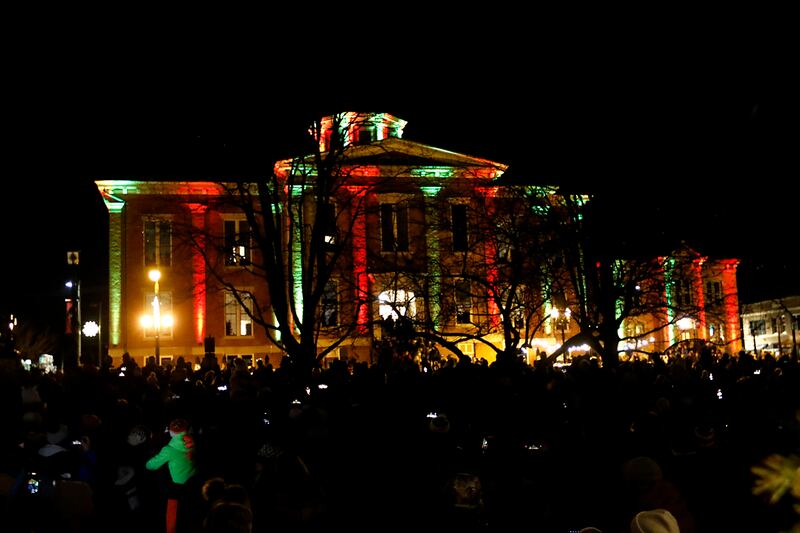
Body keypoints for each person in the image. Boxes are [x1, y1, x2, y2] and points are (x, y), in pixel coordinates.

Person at [146, 418, 198, 533]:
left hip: (178, 486)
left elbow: (152, 465)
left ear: (171, 431)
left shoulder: (169, 449)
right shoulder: (191, 441)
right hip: (193, 480)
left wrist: (146, 463)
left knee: (172, 513)